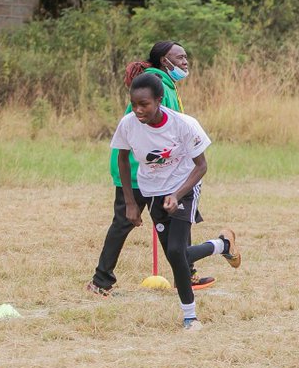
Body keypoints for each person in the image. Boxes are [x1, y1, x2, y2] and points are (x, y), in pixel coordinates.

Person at [109, 73, 241, 330]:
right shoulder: (128, 124)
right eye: (134, 104)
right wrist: (131, 203)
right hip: (152, 191)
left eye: (144, 104)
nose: (138, 110)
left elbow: (201, 166)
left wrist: (177, 195)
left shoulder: (184, 124)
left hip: (184, 186)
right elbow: (122, 160)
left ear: (159, 100)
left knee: (175, 252)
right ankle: (222, 244)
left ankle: (190, 317)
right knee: (176, 255)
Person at [88, 41, 215, 296]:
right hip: (140, 170)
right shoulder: (156, 86)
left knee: (177, 222)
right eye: (179, 57)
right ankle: (101, 281)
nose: (184, 62)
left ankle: (186, 275)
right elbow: (151, 137)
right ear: (164, 61)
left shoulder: (166, 85)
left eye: (186, 57)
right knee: (124, 222)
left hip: (165, 172)